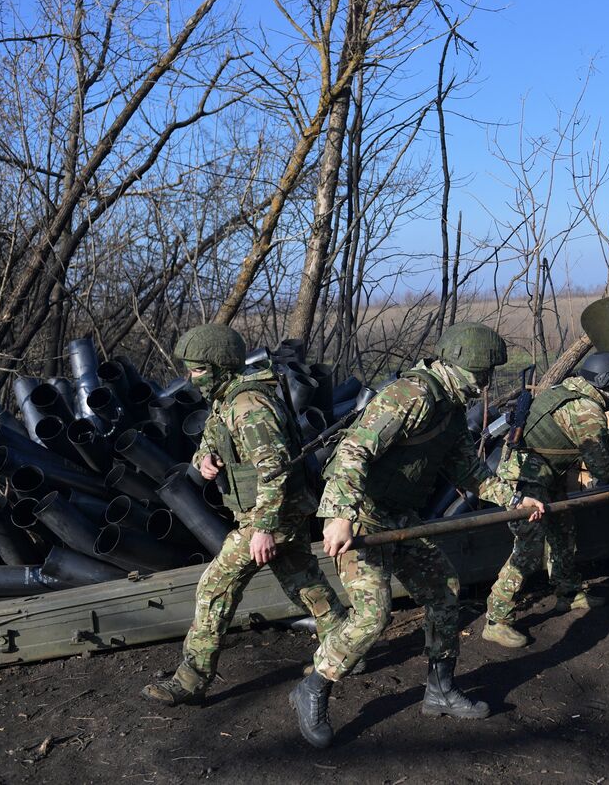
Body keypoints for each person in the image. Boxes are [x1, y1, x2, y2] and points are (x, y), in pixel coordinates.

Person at [290, 321, 544, 749]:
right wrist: (339, 515)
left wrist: (514, 499)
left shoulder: (449, 410)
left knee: (444, 591)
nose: (483, 386)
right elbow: (354, 450)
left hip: (400, 518)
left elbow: (470, 471)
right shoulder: (411, 397)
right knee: (372, 617)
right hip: (362, 516)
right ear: (457, 365)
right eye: (480, 376)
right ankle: (313, 687)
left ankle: (439, 690)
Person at [141, 324, 345, 706]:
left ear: (221, 366)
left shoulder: (248, 406)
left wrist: (264, 529)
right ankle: (345, 653)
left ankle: (190, 680)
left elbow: (275, 470)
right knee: (305, 584)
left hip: (269, 516)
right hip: (279, 512)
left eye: (199, 370)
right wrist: (205, 458)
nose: (191, 377)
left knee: (215, 588)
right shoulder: (227, 398)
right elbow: (213, 435)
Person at [481, 351, 609, 649]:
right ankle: (496, 619)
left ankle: (568, 592)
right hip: (524, 481)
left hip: (544, 473)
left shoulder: (567, 388)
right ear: (608, 385)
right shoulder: (586, 412)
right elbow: (603, 468)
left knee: (563, 530)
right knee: (528, 551)